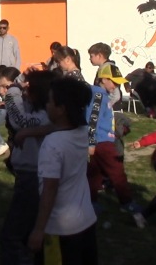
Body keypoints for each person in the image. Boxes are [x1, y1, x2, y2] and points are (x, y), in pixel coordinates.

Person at [29, 77, 97, 265]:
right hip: (86, 221)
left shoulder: (52, 145)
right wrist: (27, 132)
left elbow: (50, 189)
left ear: (62, 108)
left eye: (50, 101)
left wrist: (39, 229)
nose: (47, 105)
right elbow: (57, 126)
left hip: (61, 229)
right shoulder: (82, 131)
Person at [0, 68, 55, 264]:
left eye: (29, 88)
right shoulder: (41, 112)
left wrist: (13, 89)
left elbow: (19, 120)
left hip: (34, 176)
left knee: (12, 235)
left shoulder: (44, 116)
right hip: (29, 174)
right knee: (29, 227)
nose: (25, 91)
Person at [90, 64, 143, 226]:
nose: (116, 86)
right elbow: (92, 118)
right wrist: (91, 142)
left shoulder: (102, 94)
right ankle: (127, 203)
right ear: (103, 79)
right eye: (113, 82)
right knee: (117, 173)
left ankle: (91, 204)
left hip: (101, 139)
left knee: (94, 175)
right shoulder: (98, 95)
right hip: (102, 141)